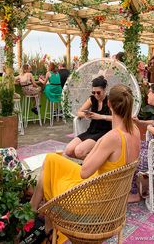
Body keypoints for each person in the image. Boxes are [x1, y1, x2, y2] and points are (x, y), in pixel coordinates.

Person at [30, 84, 141, 216]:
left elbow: (84, 173)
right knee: (51, 159)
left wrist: (98, 144)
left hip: (95, 202)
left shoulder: (112, 138)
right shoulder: (135, 131)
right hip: (113, 196)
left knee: (50, 171)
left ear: (109, 104)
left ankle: (33, 213)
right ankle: (36, 212)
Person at [130, 82, 154, 202]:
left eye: (149, 92)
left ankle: (135, 193)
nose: (147, 94)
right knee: (132, 147)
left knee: (130, 156)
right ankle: (144, 189)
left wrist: (148, 128)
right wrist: (141, 122)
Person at [65, 76, 112, 159]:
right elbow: (79, 112)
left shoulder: (109, 101)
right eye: (93, 92)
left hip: (104, 132)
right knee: (69, 151)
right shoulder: (92, 99)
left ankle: (95, 164)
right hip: (91, 130)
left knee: (79, 152)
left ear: (104, 90)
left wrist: (101, 116)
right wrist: (86, 115)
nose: (96, 95)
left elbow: (116, 118)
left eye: (98, 92)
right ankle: (89, 162)